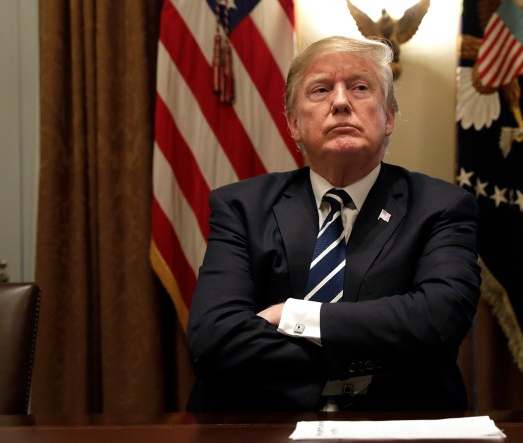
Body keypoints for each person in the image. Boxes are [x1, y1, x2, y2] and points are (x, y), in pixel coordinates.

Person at [186, 35, 481, 412]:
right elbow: (213, 341)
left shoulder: (441, 207)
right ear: (294, 123)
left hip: (396, 422)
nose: (341, 102)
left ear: (389, 117)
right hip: (261, 422)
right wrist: (377, 354)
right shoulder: (241, 207)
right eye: (321, 89)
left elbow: (439, 321)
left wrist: (294, 315)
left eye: (360, 87)